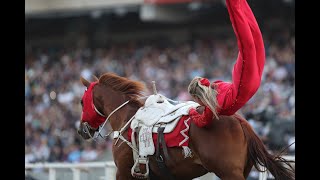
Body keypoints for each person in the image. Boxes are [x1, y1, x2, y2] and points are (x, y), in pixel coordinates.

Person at [188, 0, 265, 128]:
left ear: (196, 97)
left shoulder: (210, 105)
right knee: (252, 42)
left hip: (246, 86)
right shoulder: (211, 102)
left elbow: (201, 122)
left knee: (252, 42)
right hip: (245, 85)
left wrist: (191, 110)